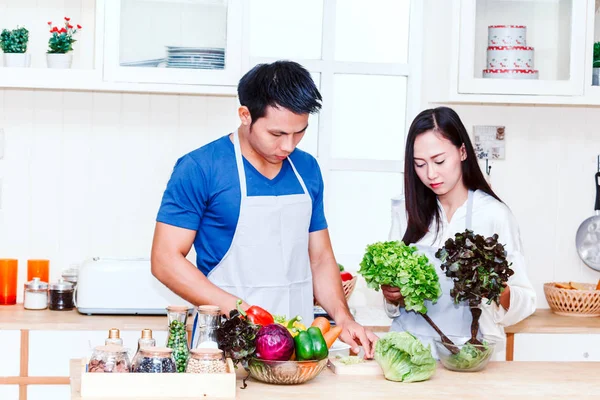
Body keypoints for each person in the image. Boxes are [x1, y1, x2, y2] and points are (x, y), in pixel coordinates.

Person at [151, 60, 377, 357]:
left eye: (299, 133)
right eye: (277, 134)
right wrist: (244, 313)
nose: (289, 146)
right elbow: (165, 260)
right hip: (225, 343)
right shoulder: (200, 167)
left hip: (298, 349)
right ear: (245, 115)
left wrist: (344, 317)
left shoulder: (306, 169)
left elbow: (320, 258)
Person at [382, 106, 536, 360]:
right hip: (408, 355)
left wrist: (497, 290)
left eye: (439, 161)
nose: (430, 174)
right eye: (419, 164)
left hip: (470, 359)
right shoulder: (405, 212)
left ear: (463, 151)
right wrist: (391, 295)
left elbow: (525, 301)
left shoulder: (494, 215)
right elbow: (392, 303)